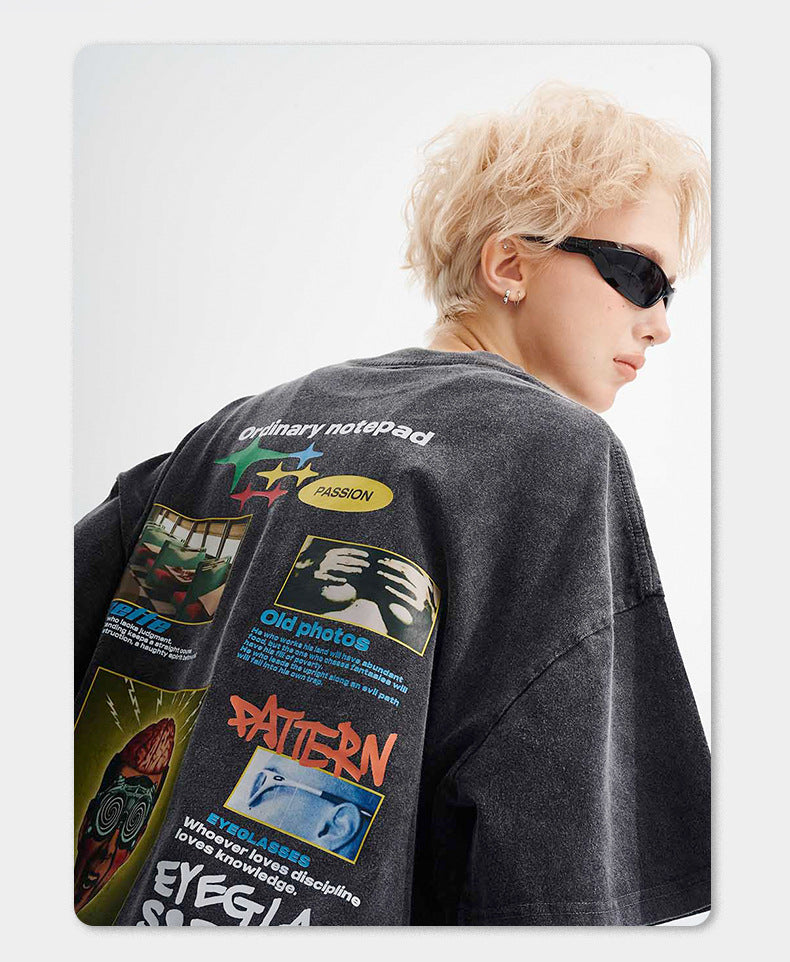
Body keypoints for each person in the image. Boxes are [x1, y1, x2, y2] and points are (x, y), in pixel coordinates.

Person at [75, 80, 711, 926]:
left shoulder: (232, 431)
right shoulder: (554, 454)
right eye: (638, 274)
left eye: (669, 293)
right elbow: (555, 874)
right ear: (509, 265)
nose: (659, 322)